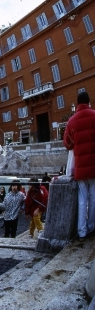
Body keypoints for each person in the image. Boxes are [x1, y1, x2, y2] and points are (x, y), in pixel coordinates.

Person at [63, 91, 95, 242]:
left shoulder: (71, 121)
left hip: (81, 167)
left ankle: (81, 232)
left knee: (82, 199)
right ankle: (91, 226)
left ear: (77, 104)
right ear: (88, 102)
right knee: (94, 197)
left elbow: (67, 144)